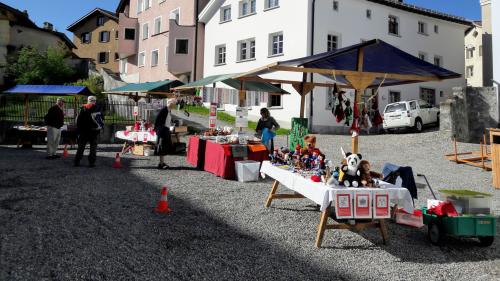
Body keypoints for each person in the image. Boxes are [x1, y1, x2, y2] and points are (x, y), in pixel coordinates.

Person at [74, 96, 104, 167]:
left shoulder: (83, 108)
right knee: (93, 148)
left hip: (84, 131)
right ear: (95, 101)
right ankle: (91, 163)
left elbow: (78, 120)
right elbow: (102, 119)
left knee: (81, 147)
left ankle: (77, 161)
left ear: (88, 100)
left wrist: (79, 130)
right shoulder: (98, 109)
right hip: (94, 131)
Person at [154, 99, 176, 169]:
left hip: (166, 130)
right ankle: (161, 164)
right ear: (170, 103)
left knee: (164, 147)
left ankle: (162, 163)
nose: (174, 105)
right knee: (161, 147)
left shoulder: (169, 110)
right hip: (162, 131)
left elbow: (167, 120)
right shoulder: (164, 110)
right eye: (173, 104)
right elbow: (157, 120)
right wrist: (159, 129)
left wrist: (171, 124)